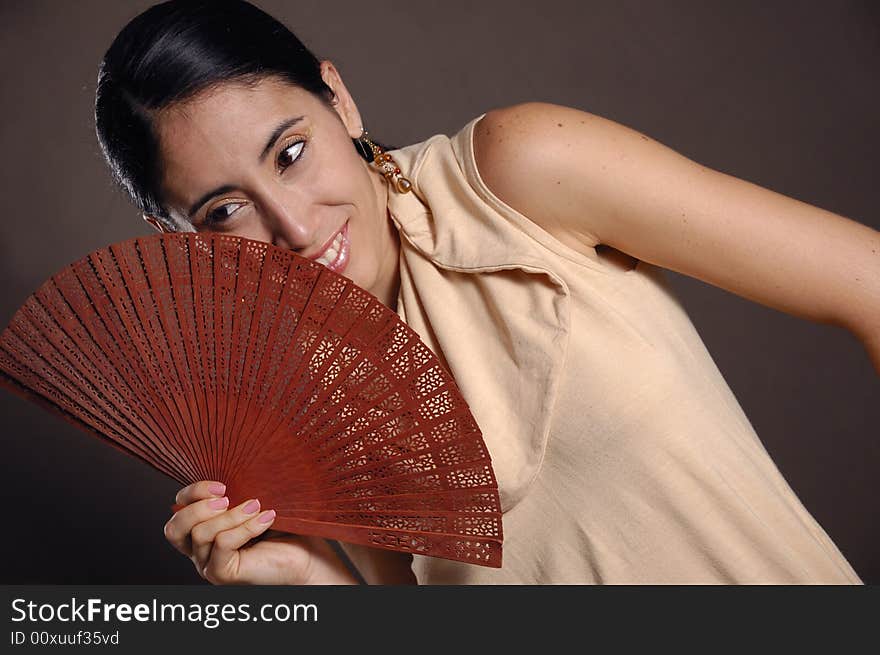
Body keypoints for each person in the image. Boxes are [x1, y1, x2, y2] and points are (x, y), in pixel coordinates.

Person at [94, 0, 876, 585]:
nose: (294, 226)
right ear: (180, 239)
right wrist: (312, 578)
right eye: (225, 211)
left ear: (340, 100)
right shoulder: (295, 412)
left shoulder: (516, 172)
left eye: (291, 152)